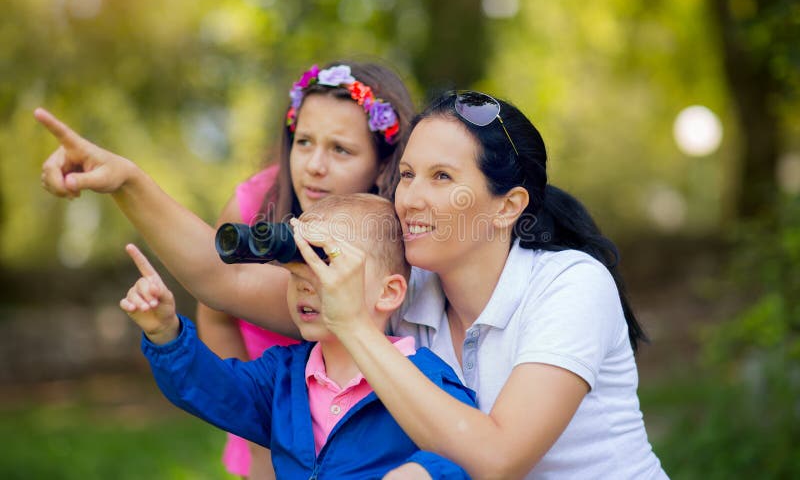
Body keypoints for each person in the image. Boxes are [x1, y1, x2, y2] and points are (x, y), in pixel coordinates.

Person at [36, 60, 416, 479]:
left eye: (341, 149)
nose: (314, 166)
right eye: (303, 142)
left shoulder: (404, 239)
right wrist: (258, 431)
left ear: (384, 165)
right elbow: (219, 293)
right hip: (276, 408)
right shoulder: (259, 203)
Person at [288, 91, 668, 479]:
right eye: (407, 175)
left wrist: (353, 325)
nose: (410, 199)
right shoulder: (403, 290)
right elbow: (237, 285)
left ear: (507, 206)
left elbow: (498, 459)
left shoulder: (571, 284)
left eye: (441, 177)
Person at [120, 193, 475, 479]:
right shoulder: (284, 377)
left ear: (389, 293)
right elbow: (213, 390)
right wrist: (165, 333)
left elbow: (467, 450)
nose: (305, 284)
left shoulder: (420, 378)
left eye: (325, 265)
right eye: (296, 271)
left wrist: (425, 471)